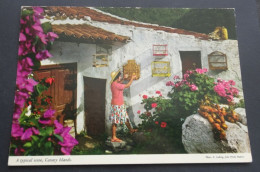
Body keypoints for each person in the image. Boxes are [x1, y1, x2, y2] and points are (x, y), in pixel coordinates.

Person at [110, 70, 137, 142]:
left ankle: (131, 130)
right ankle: (114, 137)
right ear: (117, 77)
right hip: (117, 105)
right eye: (119, 76)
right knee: (115, 121)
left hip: (117, 104)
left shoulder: (113, 83)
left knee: (125, 117)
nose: (120, 77)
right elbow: (127, 85)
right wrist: (132, 78)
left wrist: (124, 79)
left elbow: (119, 82)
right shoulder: (116, 85)